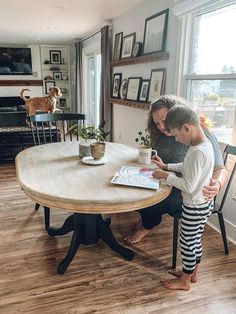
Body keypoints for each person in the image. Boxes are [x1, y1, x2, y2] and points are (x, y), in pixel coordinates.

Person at [124, 95, 227, 244]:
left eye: (164, 120)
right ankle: (145, 219)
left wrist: (217, 185)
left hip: (187, 189)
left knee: (148, 201)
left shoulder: (199, 134)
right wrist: (161, 165)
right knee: (134, 192)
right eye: (156, 123)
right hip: (166, 179)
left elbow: (220, 168)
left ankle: (147, 225)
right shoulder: (160, 133)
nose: (161, 127)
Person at [152, 105, 215, 290]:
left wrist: (166, 177)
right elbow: (186, 166)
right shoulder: (203, 145)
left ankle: (185, 281)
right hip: (204, 204)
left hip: (194, 205)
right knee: (195, 240)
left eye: (176, 136)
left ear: (186, 128)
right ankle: (192, 273)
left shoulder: (196, 151)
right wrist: (166, 167)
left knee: (187, 242)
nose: (177, 140)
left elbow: (188, 185)